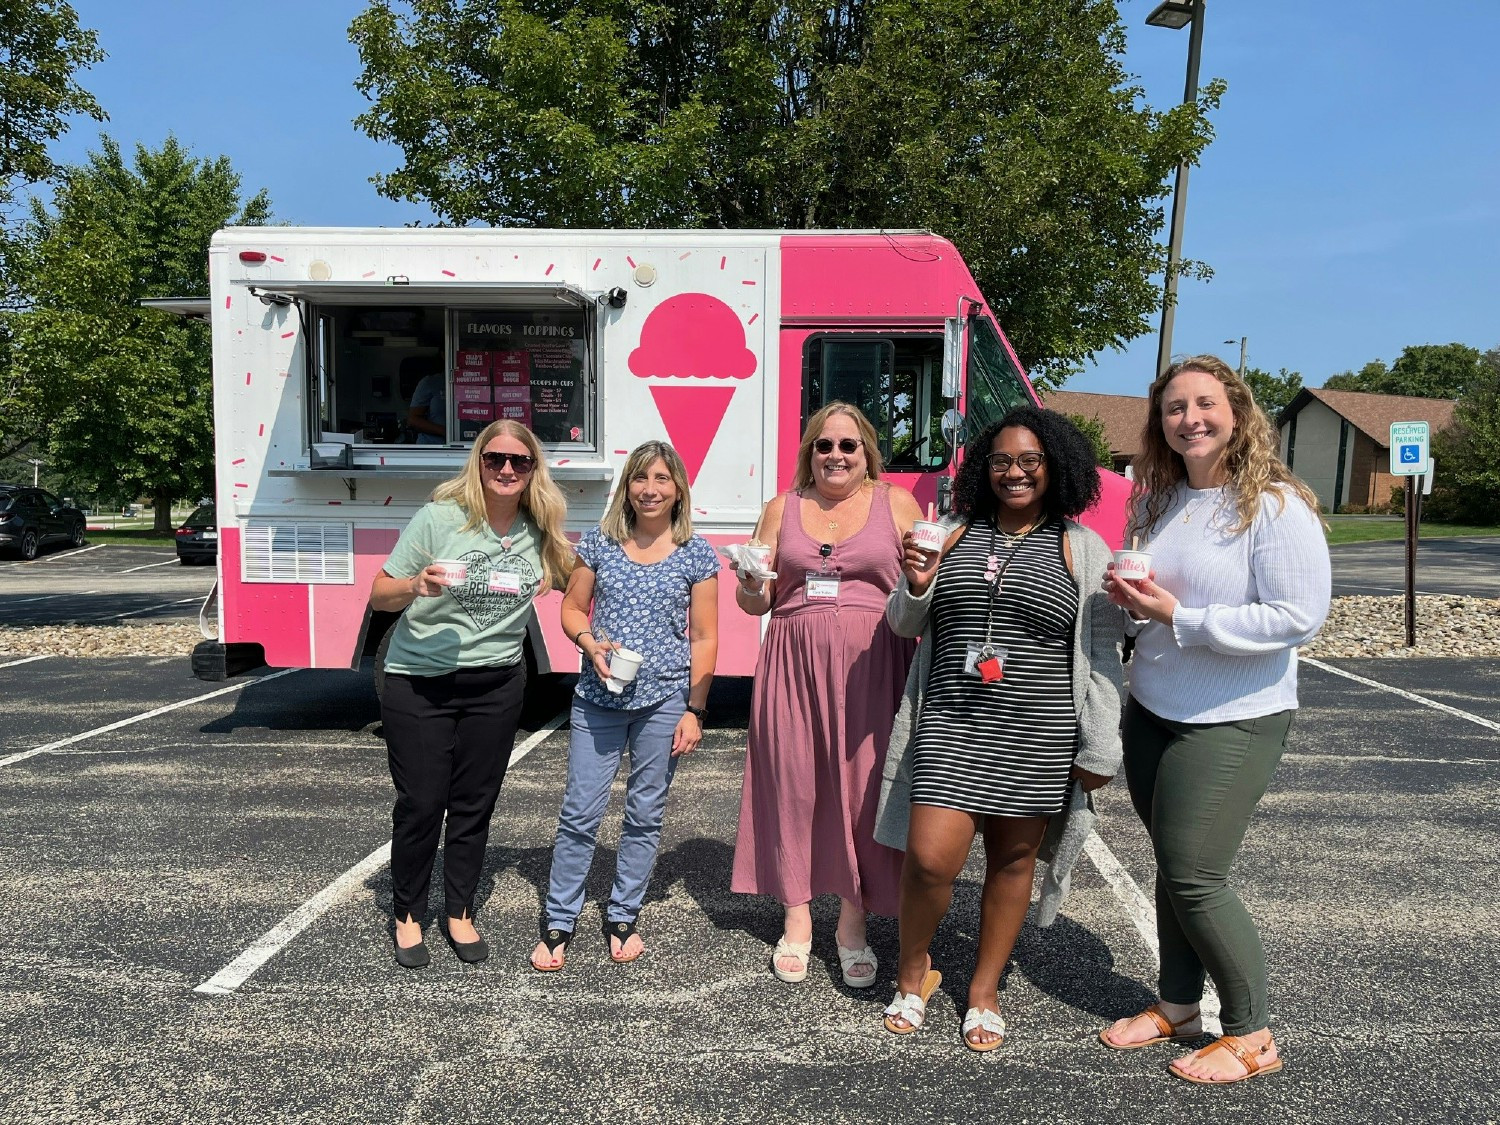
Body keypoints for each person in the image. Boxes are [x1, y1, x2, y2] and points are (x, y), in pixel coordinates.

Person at [1098, 355, 1330, 1084]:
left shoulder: (1274, 504)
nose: (1189, 418)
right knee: (1172, 864)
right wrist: (1131, 601)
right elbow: (1158, 593)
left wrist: (1180, 615)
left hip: (1234, 716)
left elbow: (1298, 616)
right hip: (1156, 706)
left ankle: (1252, 1032)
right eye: (1173, 408)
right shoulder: (1161, 499)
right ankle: (1176, 1002)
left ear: (1236, 410)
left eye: (1203, 403)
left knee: (1196, 874)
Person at [873, 406, 1125, 1050]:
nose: (1014, 472)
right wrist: (918, 582)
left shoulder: (1080, 546)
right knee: (930, 860)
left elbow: (1100, 655)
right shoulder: (951, 530)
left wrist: (1101, 743)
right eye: (1002, 461)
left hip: (1038, 732)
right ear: (984, 469)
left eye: (1029, 461)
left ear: (1054, 467)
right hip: (951, 723)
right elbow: (904, 623)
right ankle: (913, 973)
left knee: (1012, 864)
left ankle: (984, 989)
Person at [731, 402, 924, 988]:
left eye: (847, 445)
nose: (835, 455)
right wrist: (746, 585)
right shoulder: (780, 508)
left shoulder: (895, 503)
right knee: (793, 784)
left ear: (867, 452)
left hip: (876, 662)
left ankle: (852, 923)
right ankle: (796, 917)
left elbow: (925, 582)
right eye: (823, 445)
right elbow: (756, 602)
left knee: (864, 789)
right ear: (808, 453)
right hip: (792, 662)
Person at [370, 420, 574, 968]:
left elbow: (580, 577)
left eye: (520, 461)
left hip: (498, 685)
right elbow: (379, 594)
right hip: (419, 682)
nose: (507, 470)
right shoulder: (438, 519)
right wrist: (417, 585)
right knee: (421, 803)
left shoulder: (542, 529)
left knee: (473, 805)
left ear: (534, 470)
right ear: (478, 463)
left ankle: (459, 910)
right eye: (495, 459)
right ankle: (408, 912)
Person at [531, 441, 719, 970]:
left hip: (664, 700)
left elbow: (704, 639)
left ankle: (622, 914)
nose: (651, 489)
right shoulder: (599, 544)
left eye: (662, 479)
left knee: (644, 813)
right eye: (641, 479)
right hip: (598, 697)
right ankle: (558, 919)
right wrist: (589, 644)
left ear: (678, 488)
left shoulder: (696, 554)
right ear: (627, 488)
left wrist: (695, 710)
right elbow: (571, 608)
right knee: (580, 812)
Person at [408, 369, 447, 444]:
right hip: (432, 447)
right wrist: (446, 432)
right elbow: (413, 419)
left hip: (470, 445)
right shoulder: (430, 382)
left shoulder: (475, 380)